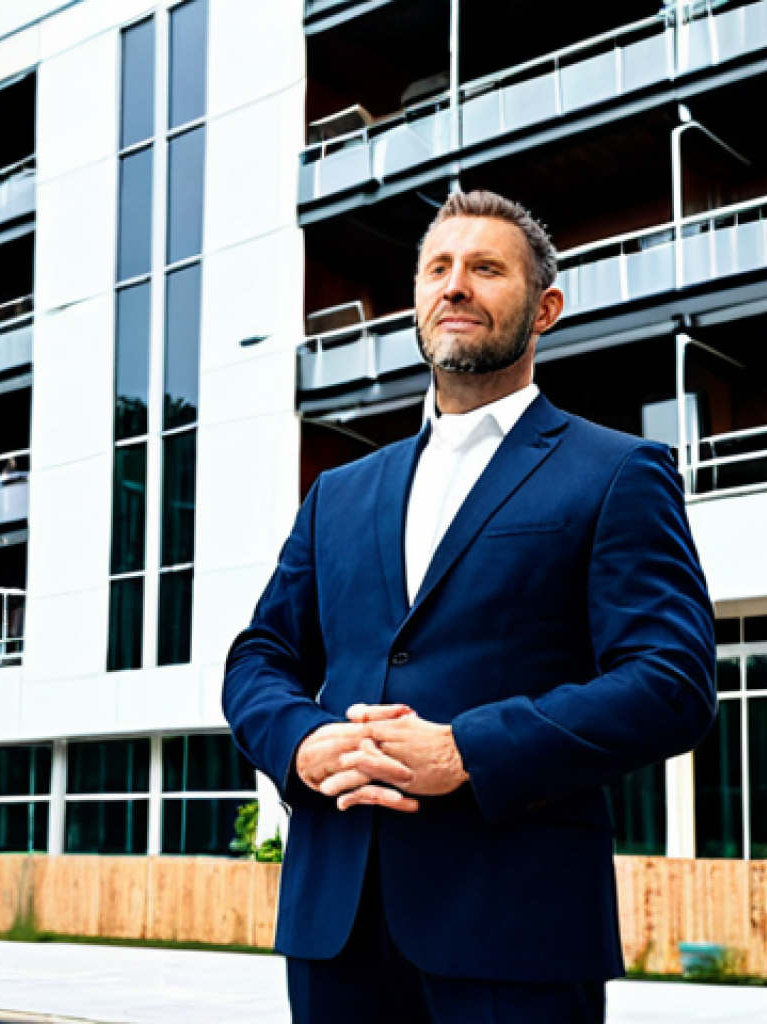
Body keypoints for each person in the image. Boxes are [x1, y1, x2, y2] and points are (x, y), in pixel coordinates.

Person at [223, 190, 716, 1023]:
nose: (455, 287)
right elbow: (259, 657)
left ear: (545, 308)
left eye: (486, 269)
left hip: (516, 927)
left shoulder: (618, 471)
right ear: (417, 301)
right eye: (437, 270)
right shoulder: (337, 492)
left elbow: (671, 683)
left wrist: (466, 749)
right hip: (334, 924)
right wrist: (302, 743)